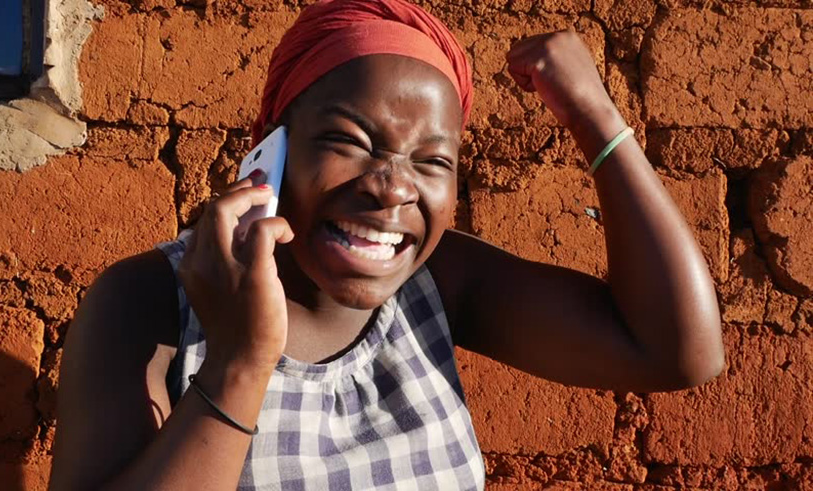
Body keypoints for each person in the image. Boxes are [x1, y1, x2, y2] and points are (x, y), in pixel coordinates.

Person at [49, 0, 725, 489]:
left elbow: (675, 351)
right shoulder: (150, 304)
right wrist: (240, 361)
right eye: (349, 141)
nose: (394, 187)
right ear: (270, 146)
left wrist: (594, 116)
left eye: (432, 161)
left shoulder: (436, 281)